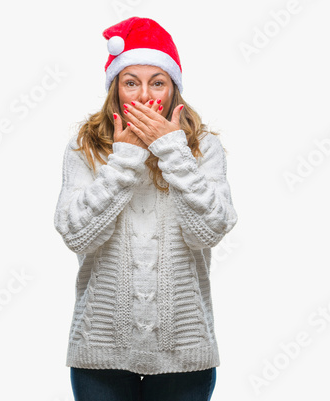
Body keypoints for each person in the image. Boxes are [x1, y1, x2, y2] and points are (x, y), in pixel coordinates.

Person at [54, 16, 238, 401]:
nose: (143, 95)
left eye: (157, 82)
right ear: (115, 89)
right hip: (100, 350)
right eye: (131, 82)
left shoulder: (202, 147)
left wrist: (172, 150)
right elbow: (75, 234)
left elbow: (211, 229)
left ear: (174, 90)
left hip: (184, 352)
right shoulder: (84, 145)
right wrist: (123, 161)